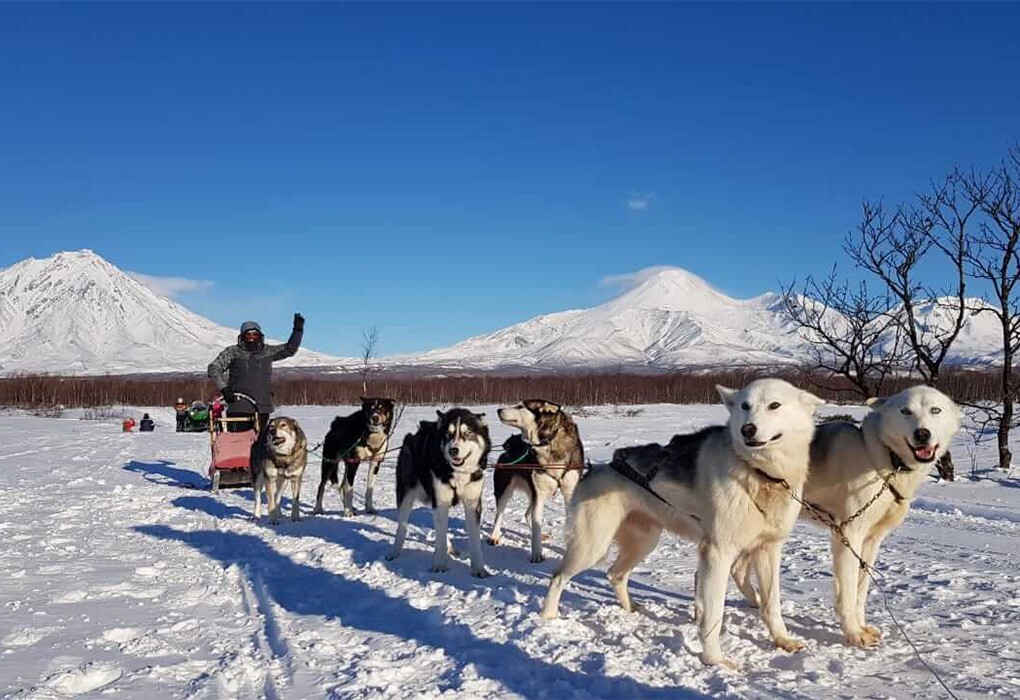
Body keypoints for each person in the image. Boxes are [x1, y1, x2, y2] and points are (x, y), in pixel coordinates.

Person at [207, 313, 304, 442]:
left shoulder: (267, 351)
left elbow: (289, 349)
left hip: (262, 407)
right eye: (248, 334)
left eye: (255, 334)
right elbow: (214, 368)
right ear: (242, 336)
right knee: (239, 444)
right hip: (238, 406)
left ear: (260, 336)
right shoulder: (233, 352)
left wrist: (297, 331)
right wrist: (224, 389)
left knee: (261, 444)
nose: (252, 337)